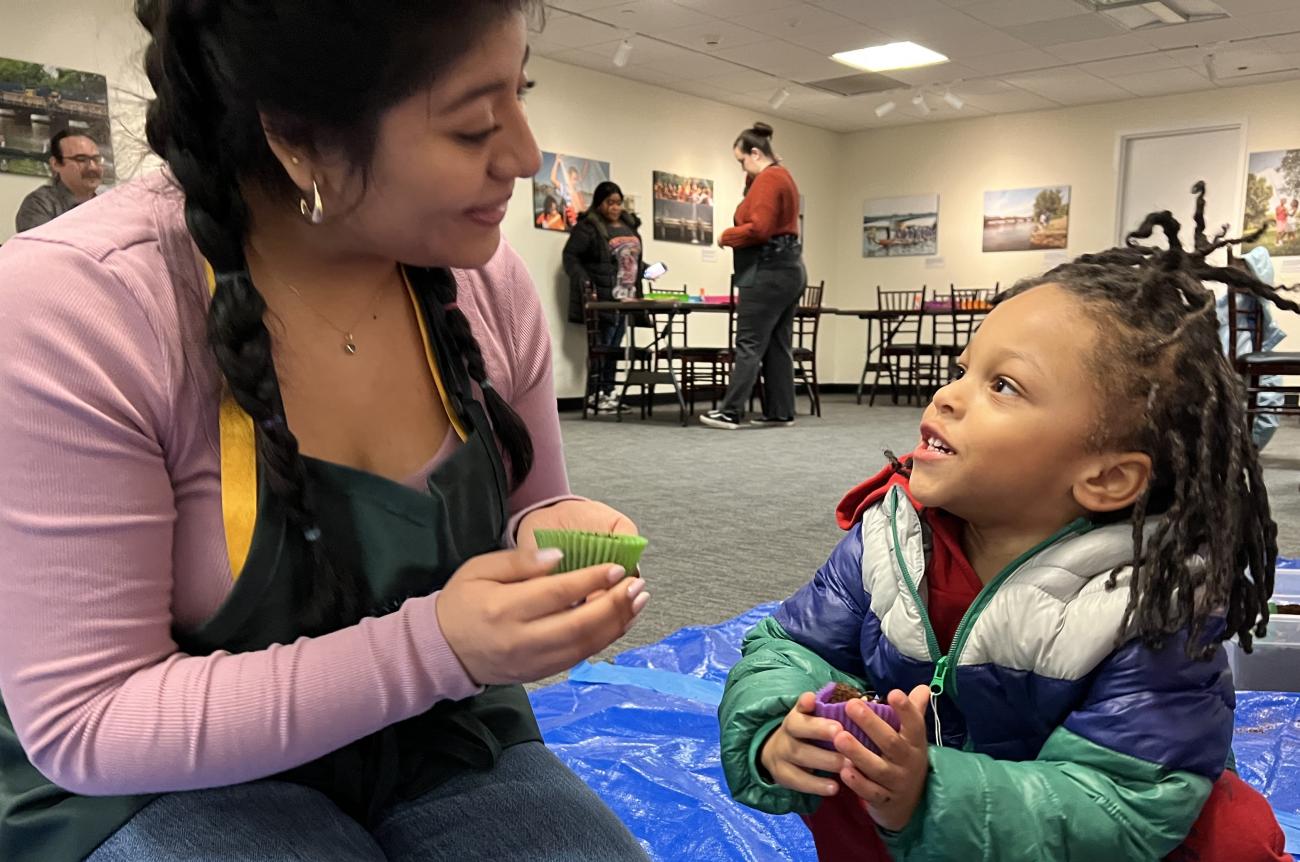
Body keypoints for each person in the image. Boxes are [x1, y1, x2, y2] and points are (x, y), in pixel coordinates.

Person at [0, 3, 652, 860]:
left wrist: (558, 536)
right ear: (297, 139)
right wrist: (435, 646)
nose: (527, 158)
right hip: (149, 769)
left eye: (521, 94)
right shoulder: (81, 309)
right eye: (471, 127)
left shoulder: (482, 284)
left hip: (429, 726)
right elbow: (90, 719)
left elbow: (531, 506)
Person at [719, 197, 1294, 861]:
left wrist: (933, 792)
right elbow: (788, 645)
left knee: (1234, 837)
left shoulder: (1148, 601)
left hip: (1047, 829)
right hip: (912, 810)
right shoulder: (891, 537)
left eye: (1005, 386)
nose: (947, 395)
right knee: (843, 767)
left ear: (1106, 479)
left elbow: (1121, 800)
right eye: (964, 370)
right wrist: (773, 728)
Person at [702, 122, 804, 430]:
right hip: (790, 270)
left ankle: (730, 411)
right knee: (777, 344)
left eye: (742, 161)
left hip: (767, 271)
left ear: (755, 153)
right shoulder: (783, 176)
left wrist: (727, 235)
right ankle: (780, 411)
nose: (741, 168)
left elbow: (759, 228)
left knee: (748, 342)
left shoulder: (769, 180)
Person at [563, 181, 645, 413]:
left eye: (619, 203)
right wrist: (584, 281)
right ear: (600, 203)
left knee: (615, 347)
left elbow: (631, 260)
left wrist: (649, 270)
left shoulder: (629, 226)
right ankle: (596, 395)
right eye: (610, 203)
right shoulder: (588, 227)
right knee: (602, 346)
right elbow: (570, 257)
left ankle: (609, 392)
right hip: (603, 297)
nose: (615, 207)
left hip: (627, 297)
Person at [1218, 246, 1287, 450]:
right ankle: (1247, 442)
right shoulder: (1240, 303)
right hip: (1236, 360)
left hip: (1241, 359)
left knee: (1264, 394)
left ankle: (1247, 441)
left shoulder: (1250, 304)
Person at [13, 129, 103, 232]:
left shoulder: (110, 203)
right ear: (56, 164)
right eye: (81, 159)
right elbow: (42, 247)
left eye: (96, 159)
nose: (92, 167)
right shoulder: (40, 204)